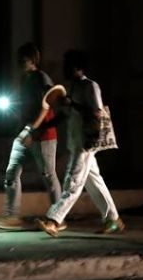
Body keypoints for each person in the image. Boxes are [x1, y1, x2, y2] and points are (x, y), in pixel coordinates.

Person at [36, 50, 124, 237]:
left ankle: (54, 220)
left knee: (73, 181)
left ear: (77, 68)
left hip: (85, 141)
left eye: (67, 65)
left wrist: (72, 104)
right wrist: (45, 125)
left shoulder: (91, 86)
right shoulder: (74, 87)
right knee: (94, 181)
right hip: (77, 141)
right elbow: (67, 114)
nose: (64, 69)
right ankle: (113, 219)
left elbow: (96, 112)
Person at [0, 43, 63, 231]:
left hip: (43, 135)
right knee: (12, 172)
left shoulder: (41, 78)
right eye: (19, 59)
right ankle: (11, 215)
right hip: (26, 131)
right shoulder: (25, 79)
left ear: (33, 60)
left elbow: (46, 107)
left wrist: (32, 131)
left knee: (48, 175)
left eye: (24, 59)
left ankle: (58, 218)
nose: (20, 62)